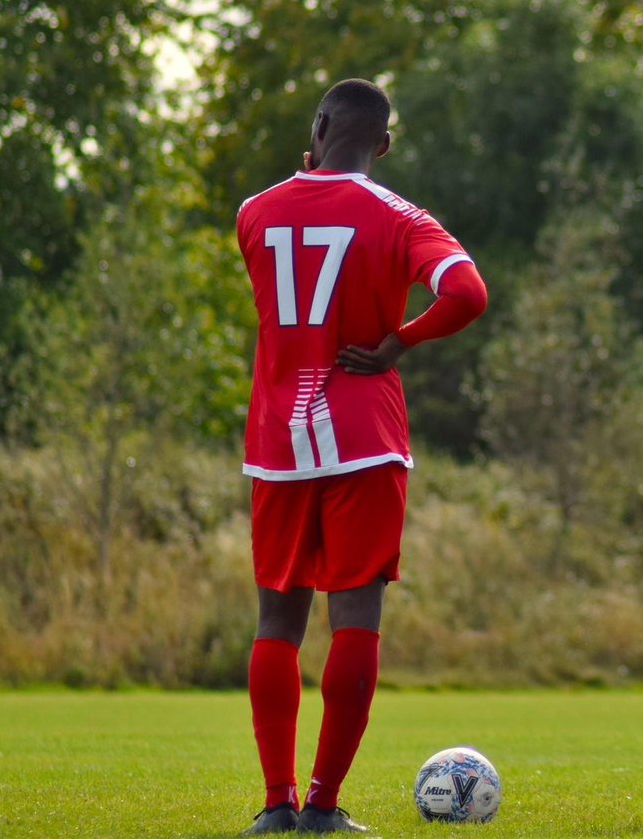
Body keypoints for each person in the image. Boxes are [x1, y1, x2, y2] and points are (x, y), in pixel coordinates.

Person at [235, 78, 488, 835]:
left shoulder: (253, 212)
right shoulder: (399, 215)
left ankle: (274, 804)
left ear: (316, 128)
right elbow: (467, 293)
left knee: (277, 620)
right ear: (382, 144)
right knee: (356, 616)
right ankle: (321, 806)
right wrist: (398, 342)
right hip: (360, 437)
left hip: (279, 439)